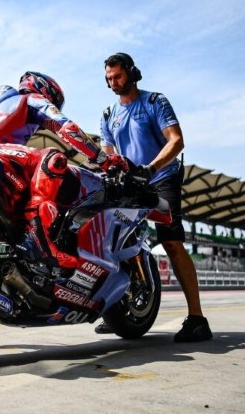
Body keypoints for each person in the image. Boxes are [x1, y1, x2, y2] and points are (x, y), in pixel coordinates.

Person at [95, 52, 212, 342]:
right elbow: (108, 156)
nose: (113, 83)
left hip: (160, 178)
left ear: (132, 73)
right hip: (129, 185)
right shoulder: (108, 115)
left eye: (118, 76)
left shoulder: (154, 102)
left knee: (171, 242)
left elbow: (176, 140)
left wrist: (151, 169)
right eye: (109, 78)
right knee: (117, 243)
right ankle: (117, 310)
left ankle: (197, 318)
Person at [0, 71, 126, 269]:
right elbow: (66, 127)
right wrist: (102, 159)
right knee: (54, 159)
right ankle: (38, 239)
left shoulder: (2, 104)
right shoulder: (31, 99)